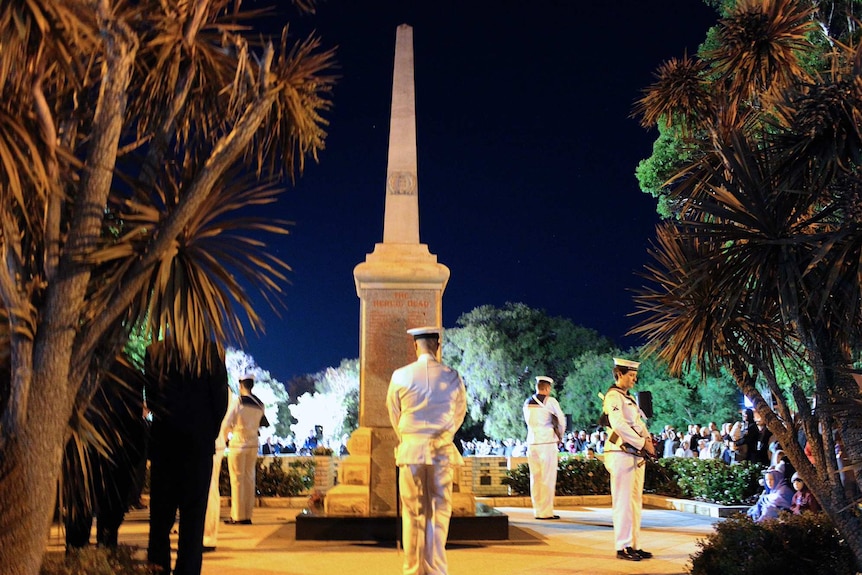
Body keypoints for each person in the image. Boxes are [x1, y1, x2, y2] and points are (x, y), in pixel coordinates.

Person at [386, 326, 467, 575]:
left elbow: (394, 413)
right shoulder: (452, 376)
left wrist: (409, 438)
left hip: (411, 451)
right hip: (442, 451)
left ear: (415, 346)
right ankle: (436, 569)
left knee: (413, 513)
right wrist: (443, 435)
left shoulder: (400, 375)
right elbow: (459, 413)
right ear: (437, 345)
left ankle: (413, 569)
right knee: (439, 512)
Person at [145, 338, 229, 575]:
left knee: (160, 520)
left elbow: (151, 398)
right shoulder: (211, 352)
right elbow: (220, 400)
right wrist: (206, 434)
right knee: (193, 523)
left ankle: (158, 568)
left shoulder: (155, 351)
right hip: (198, 448)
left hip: (165, 445)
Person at [601, 357, 655, 562]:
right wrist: (643, 443)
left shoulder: (628, 398)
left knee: (634, 501)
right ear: (619, 375)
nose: (634, 379)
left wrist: (648, 440)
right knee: (623, 501)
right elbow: (619, 425)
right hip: (620, 453)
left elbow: (639, 423)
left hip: (634, 454)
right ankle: (622, 546)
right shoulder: (613, 397)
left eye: (635, 376)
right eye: (630, 375)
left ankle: (634, 544)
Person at [224, 374, 269, 525]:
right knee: (250, 479)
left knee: (237, 480)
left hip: (238, 442)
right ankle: (248, 515)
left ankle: (237, 516)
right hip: (253, 443)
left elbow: (227, 422)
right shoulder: (260, 404)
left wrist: (224, 438)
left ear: (241, 385)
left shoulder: (238, 401)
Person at [523, 375, 566, 520]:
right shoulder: (550, 401)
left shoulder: (527, 402)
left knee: (535, 478)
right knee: (548, 477)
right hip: (547, 442)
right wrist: (560, 435)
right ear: (547, 388)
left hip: (532, 442)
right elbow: (561, 420)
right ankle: (546, 512)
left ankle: (537, 510)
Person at [202, 389, 239, 552]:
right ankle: (205, 536)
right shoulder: (226, 389)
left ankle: (207, 537)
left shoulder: (218, 385)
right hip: (215, 442)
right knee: (208, 489)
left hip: (209, 442)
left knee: (208, 490)